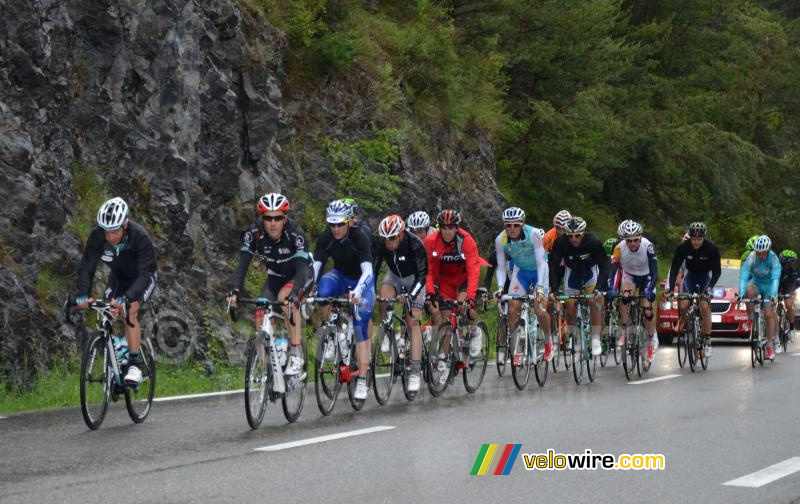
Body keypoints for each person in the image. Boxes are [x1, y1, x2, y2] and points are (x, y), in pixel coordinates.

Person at [76, 197, 157, 385]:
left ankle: (135, 364)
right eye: (106, 232)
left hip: (143, 278)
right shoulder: (97, 236)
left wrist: (127, 298)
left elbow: (145, 274)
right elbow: (87, 266)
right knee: (106, 312)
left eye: (114, 231)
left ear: (125, 225)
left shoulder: (140, 237)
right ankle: (119, 347)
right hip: (118, 278)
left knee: (129, 311)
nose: (110, 237)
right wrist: (82, 293)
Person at [227, 193, 309, 375]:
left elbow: (302, 270)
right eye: (268, 218)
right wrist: (234, 290)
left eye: (278, 218)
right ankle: (267, 370)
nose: (273, 223)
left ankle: (295, 354)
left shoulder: (295, 234)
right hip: (275, 276)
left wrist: (295, 294)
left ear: (284, 218)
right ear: (262, 219)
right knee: (261, 309)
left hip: (298, 276)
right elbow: (242, 265)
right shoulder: (254, 234)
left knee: (285, 299)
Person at [313, 199, 375, 400]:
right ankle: (332, 330)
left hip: (362, 281)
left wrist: (358, 291)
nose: (336, 228)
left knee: (360, 326)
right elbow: (316, 267)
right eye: (332, 224)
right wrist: (307, 289)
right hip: (340, 275)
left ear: (349, 221)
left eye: (340, 224)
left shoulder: (360, 236)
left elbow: (368, 271)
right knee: (322, 292)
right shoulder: (325, 238)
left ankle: (363, 379)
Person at [424, 209, 482, 384]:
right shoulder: (431, 241)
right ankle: (445, 357)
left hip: (463, 280)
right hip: (445, 282)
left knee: (464, 306)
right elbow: (429, 271)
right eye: (443, 227)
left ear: (457, 227)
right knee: (444, 318)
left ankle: (474, 331)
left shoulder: (466, 241)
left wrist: (470, 296)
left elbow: (474, 270)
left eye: (451, 227)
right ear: (439, 228)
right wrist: (430, 292)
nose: (447, 231)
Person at [374, 215, 428, 392]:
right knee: (383, 296)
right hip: (395, 276)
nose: (388, 243)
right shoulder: (382, 245)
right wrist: (372, 290)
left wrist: (411, 295)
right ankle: (390, 333)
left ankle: (415, 370)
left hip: (415, 280)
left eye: (392, 238)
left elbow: (422, 275)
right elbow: (375, 268)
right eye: (385, 239)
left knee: (412, 320)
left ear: (401, 234)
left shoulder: (415, 244)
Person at [493, 207, 551, 363]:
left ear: (522, 225)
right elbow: (501, 266)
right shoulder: (501, 239)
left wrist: (540, 287)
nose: (512, 229)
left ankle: (547, 340)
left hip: (539, 271)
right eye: (508, 225)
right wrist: (499, 287)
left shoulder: (533, 234)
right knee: (512, 307)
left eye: (516, 225)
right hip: (521, 272)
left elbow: (541, 263)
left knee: (539, 309)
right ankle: (517, 345)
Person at [547, 216, 610, 356]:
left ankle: (595, 339)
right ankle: (573, 336)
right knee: (569, 307)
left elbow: (605, 266)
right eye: (570, 236)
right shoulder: (561, 242)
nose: (573, 239)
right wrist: (554, 289)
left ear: (583, 233)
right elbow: (552, 265)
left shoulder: (593, 242)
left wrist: (599, 288)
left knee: (592, 300)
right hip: (572, 272)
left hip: (590, 272)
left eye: (577, 236)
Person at [667, 222, 721, 357]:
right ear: (689, 237)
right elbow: (674, 269)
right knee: (684, 303)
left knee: (704, 304)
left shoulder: (711, 249)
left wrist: (709, 288)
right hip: (690, 277)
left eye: (699, 239)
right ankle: (684, 320)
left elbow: (717, 272)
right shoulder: (683, 248)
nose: (696, 242)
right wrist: (671, 289)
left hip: (705, 278)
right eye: (693, 239)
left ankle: (707, 340)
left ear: (704, 238)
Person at [609, 220, 659, 362]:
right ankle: (624, 328)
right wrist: (612, 287)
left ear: (640, 237)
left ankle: (651, 339)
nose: (632, 243)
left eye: (635, 240)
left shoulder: (648, 246)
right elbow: (612, 271)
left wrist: (650, 289)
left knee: (648, 309)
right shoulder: (619, 248)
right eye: (629, 240)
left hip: (647, 276)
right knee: (624, 297)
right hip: (630, 274)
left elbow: (655, 273)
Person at [739, 235, 781, 358]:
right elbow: (744, 275)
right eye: (759, 253)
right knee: (748, 291)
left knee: (768, 314)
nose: (761, 256)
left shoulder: (773, 258)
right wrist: (741, 293)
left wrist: (773, 295)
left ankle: (769, 344)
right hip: (756, 282)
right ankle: (751, 315)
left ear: (768, 251)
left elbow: (775, 278)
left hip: (769, 286)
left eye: (763, 253)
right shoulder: (751, 257)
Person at [779, 249, 799, 343]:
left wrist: (790, 293)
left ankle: (791, 329)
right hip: (778, 286)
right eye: (789, 264)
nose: (791, 266)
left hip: (788, 288)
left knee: (789, 304)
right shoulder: (777, 268)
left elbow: (793, 284)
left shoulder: (794, 271)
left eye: (792, 263)